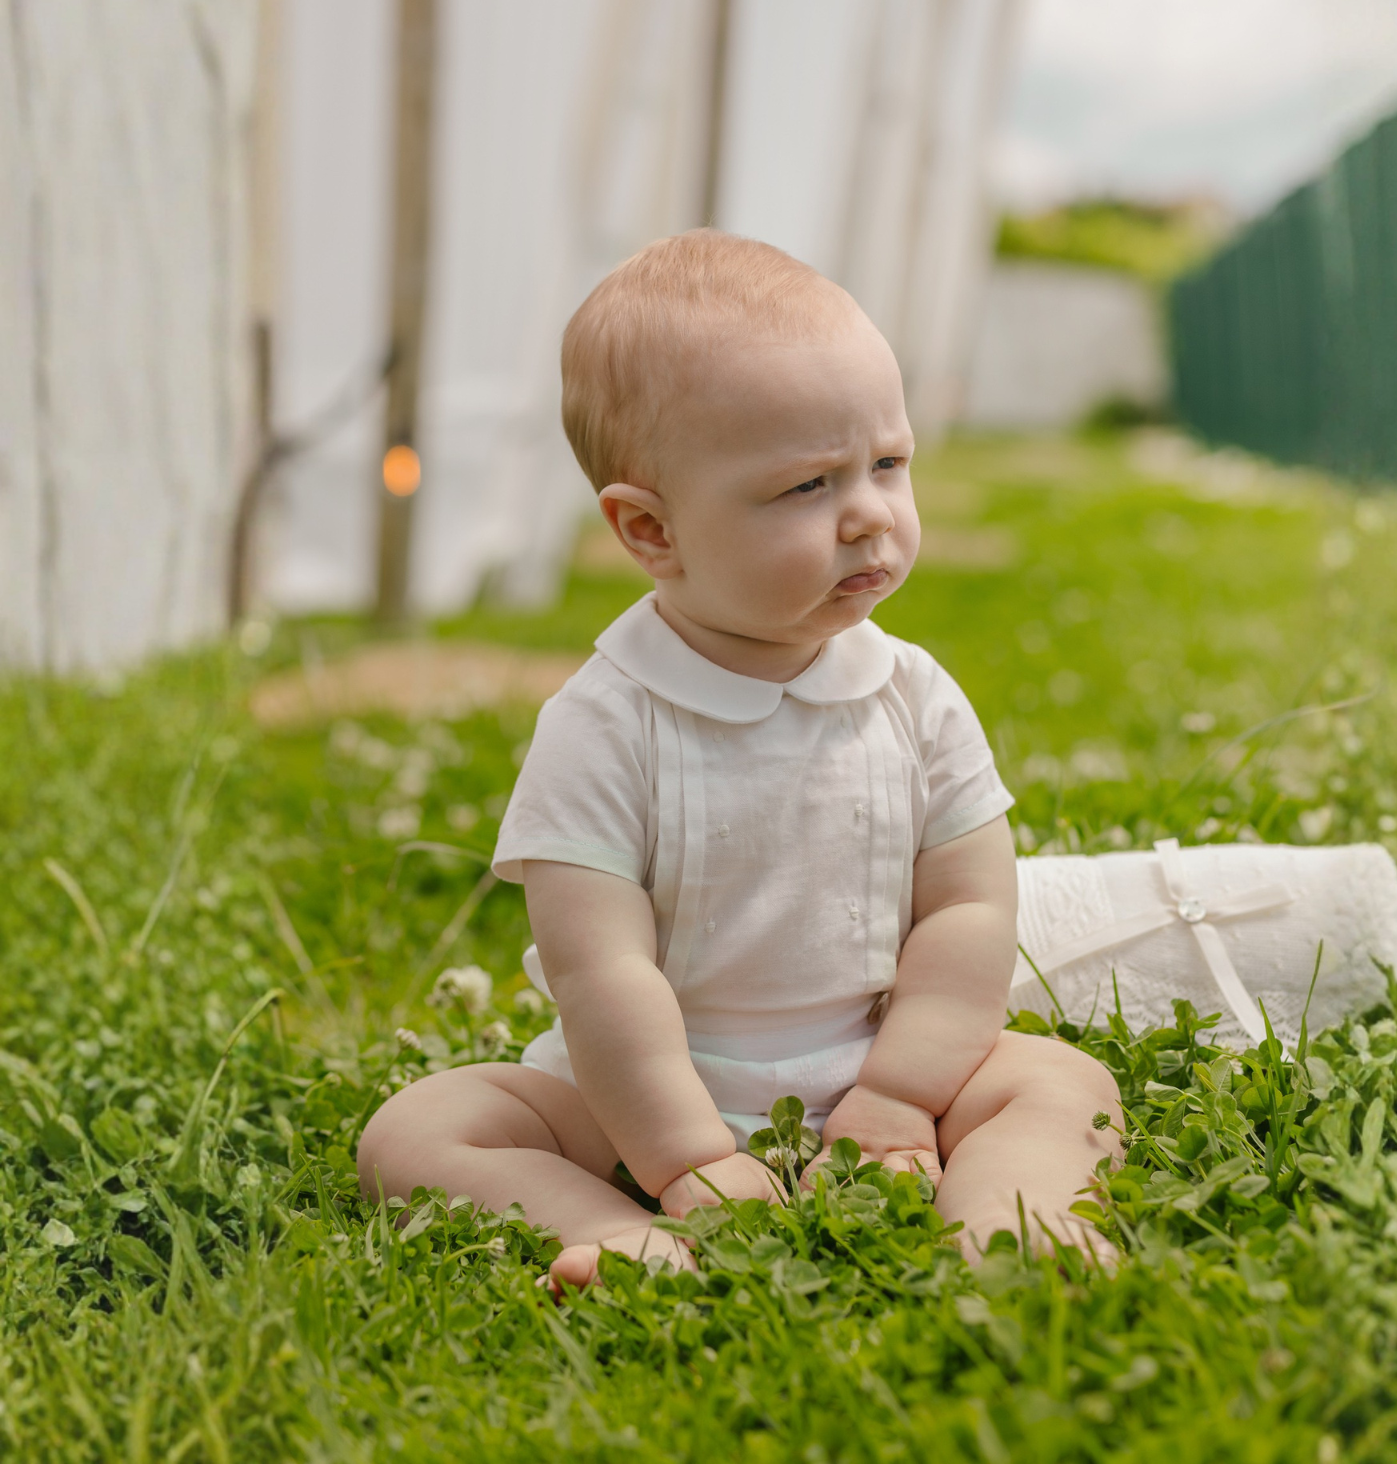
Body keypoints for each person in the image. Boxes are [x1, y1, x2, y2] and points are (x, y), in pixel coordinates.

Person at [358, 230, 1123, 1288]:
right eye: (807, 485)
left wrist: (901, 1091)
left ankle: (1012, 1217)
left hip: (874, 1062)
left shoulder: (914, 695)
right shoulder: (606, 723)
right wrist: (684, 1157)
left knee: (1056, 1079)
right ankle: (629, 1236)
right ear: (651, 531)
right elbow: (600, 972)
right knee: (421, 1128)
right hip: (646, 1091)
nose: (867, 512)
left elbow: (967, 911)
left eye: (887, 464)